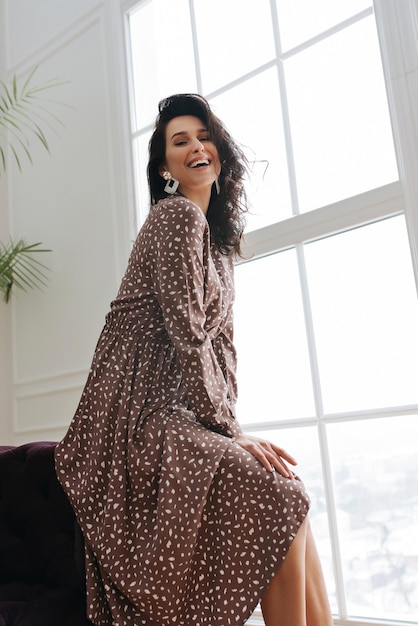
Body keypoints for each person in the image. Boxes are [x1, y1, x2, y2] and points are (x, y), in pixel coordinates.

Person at [55, 93, 332, 626]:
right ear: (164, 167)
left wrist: (232, 427)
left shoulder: (220, 248)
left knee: (288, 495)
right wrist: (230, 430)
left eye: (204, 137)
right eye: (180, 141)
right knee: (278, 493)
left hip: (179, 411)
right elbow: (188, 335)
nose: (196, 147)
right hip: (132, 416)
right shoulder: (175, 217)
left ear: (220, 152)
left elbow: (222, 350)